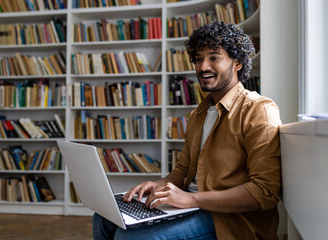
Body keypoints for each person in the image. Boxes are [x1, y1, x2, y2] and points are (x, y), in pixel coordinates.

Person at [92, 21, 282, 240]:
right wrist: (160, 184)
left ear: (237, 62)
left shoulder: (258, 109)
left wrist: (190, 199)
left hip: (229, 219)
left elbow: (264, 192)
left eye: (214, 57)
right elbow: (183, 171)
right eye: (198, 59)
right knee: (103, 218)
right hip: (190, 205)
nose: (203, 67)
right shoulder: (198, 114)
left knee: (130, 238)